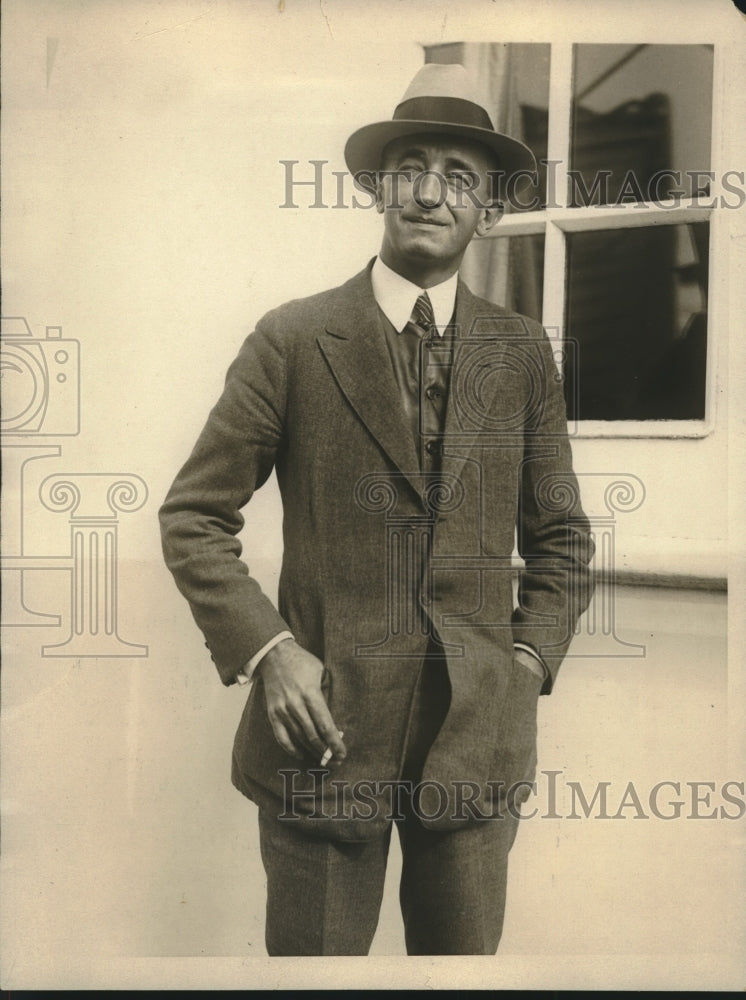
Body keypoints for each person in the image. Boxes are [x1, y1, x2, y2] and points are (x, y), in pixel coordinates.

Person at [159, 62, 595, 956]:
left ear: (489, 212)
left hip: (475, 746)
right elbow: (194, 516)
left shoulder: (521, 355)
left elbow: (560, 538)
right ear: (382, 187)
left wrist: (521, 664)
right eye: (412, 168)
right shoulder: (292, 338)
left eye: (460, 178)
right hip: (324, 745)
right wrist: (269, 652)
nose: (432, 194)